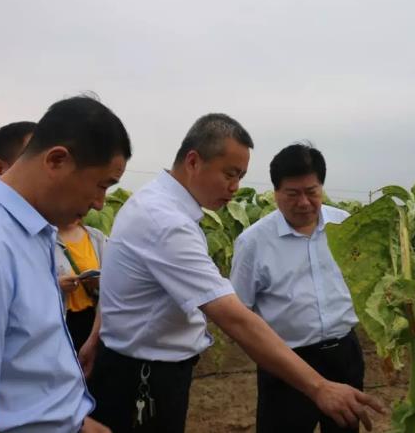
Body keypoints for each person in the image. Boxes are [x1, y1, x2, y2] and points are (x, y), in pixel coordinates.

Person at [83, 114, 383, 432]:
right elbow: (235, 316)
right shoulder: (166, 222)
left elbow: (119, 278)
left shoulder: (155, 204)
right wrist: (319, 387)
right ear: (194, 161)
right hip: (145, 378)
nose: (235, 187)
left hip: (141, 368)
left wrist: (96, 336)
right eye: (230, 174)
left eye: (240, 176)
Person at [0, 96, 130, 432]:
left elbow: (26, 361)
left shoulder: (32, 232)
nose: (99, 203)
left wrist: (78, 422)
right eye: (101, 185)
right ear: (56, 160)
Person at [230, 143, 364, 433]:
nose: (304, 202)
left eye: (311, 192)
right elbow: (239, 310)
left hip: (344, 354)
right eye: (292, 194)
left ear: (321, 187)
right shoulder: (253, 242)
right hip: (287, 363)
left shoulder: (346, 226)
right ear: (276, 192)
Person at [56, 219, 107, 353]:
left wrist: (99, 281)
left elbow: (113, 277)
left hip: (93, 317)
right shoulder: (45, 239)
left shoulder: (96, 237)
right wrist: (57, 285)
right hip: (63, 320)